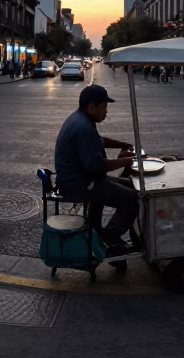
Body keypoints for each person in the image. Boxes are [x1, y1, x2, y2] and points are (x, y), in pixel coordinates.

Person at [53, 85, 139, 255]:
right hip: (80, 184)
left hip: (81, 179)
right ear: (92, 107)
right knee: (132, 198)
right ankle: (109, 238)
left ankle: (97, 229)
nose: (106, 112)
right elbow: (96, 166)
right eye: (104, 107)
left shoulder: (80, 119)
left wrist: (123, 145)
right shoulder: (83, 127)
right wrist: (128, 161)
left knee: (130, 185)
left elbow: (99, 140)